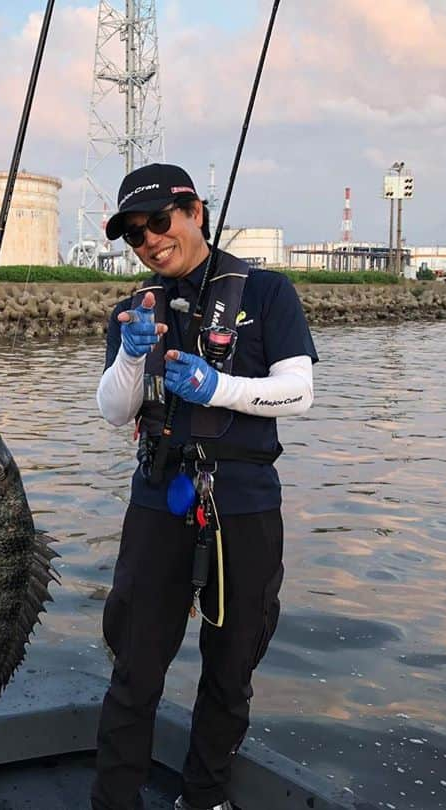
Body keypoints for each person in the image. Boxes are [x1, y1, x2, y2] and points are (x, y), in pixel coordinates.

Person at [91, 164, 318, 810]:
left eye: (160, 221)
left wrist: (220, 388)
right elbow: (112, 410)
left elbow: (299, 390)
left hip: (243, 500)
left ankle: (204, 796)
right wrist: (134, 354)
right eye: (135, 235)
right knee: (134, 668)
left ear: (195, 211)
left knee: (230, 669)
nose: (150, 241)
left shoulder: (268, 292)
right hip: (158, 494)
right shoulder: (133, 309)